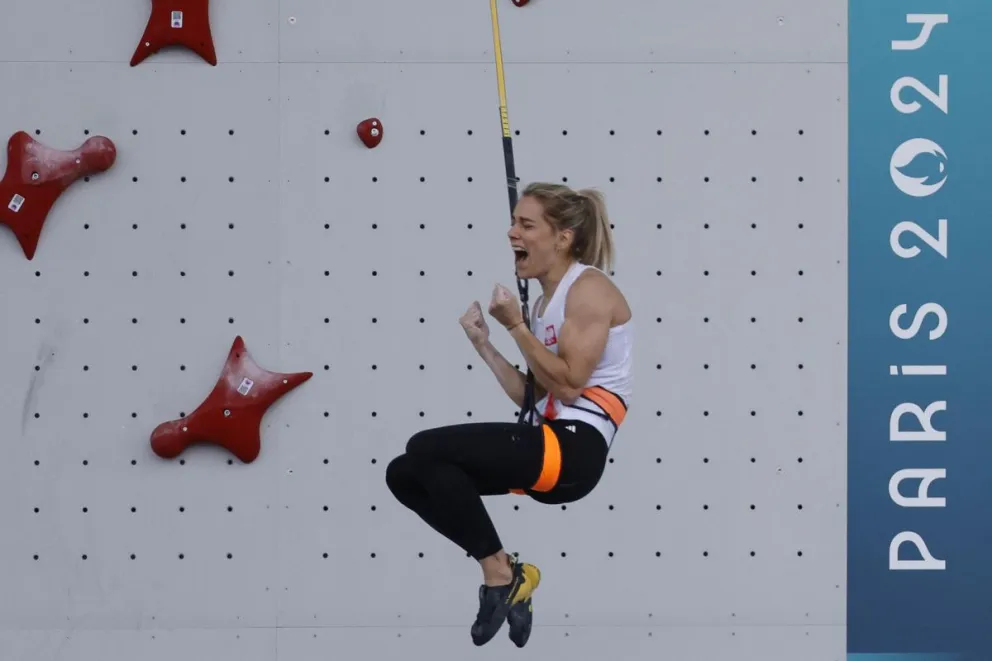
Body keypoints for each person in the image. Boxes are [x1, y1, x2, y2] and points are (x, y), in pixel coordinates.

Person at [384, 182, 634, 647]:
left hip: (575, 453)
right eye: (514, 221)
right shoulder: (543, 304)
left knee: (426, 447)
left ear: (562, 238)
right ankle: (506, 572)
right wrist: (487, 345)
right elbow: (534, 395)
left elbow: (570, 383)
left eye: (526, 224)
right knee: (405, 473)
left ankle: (500, 575)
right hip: (552, 443)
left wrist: (517, 326)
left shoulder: (590, 289)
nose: (511, 232)